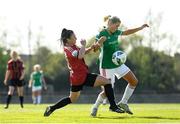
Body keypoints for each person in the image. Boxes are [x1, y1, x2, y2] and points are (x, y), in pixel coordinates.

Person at [44, 28, 124, 117]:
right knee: (107, 82)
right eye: (74, 37)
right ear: (68, 39)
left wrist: (91, 47)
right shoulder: (69, 49)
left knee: (72, 99)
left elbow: (83, 52)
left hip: (78, 77)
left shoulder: (73, 47)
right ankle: (113, 106)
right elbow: (80, 55)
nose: (76, 38)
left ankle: (51, 108)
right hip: (81, 76)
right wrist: (83, 45)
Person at [91, 15, 149, 116]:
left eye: (118, 26)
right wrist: (98, 43)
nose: (117, 28)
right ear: (109, 24)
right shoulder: (102, 33)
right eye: (116, 26)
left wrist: (140, 28)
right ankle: (95, 107)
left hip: (117, 63)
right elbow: (95, 48)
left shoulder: (116, 32)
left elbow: (127, 32)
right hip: (106, 66)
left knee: (133, 81)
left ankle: (123, 102)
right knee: (106, 92)